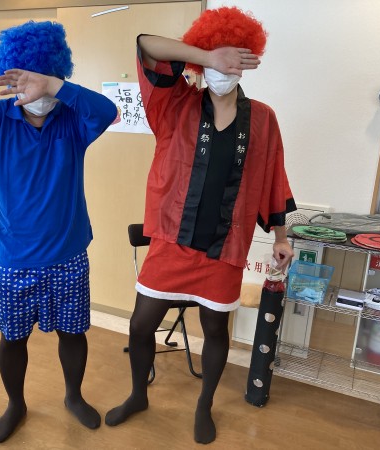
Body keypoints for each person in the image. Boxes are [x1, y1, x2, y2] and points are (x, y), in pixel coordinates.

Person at [105, 7, 296, 445]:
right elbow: (146, 45)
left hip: (225, 247)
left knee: (214, 330)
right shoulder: (174, 105)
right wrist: (208, 55)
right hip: (172, 241)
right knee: (140, 325)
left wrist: (281, 237)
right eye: (214, 56)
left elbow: (274, 176)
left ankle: (204, 405)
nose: (223, 67)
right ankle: (137, 395)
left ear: (246, 62)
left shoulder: (263, 118)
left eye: (232, 57)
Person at [0, 21, 117, 443]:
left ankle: (73, 396)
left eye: (44, 78)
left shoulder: (72, 119)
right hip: (14, 259)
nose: (35, 90)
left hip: (69, 254)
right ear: (11, 78)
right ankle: (15, 404)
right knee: (13, 338)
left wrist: (53, 86)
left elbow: (108, 111)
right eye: (26, 79)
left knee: (74, 332)